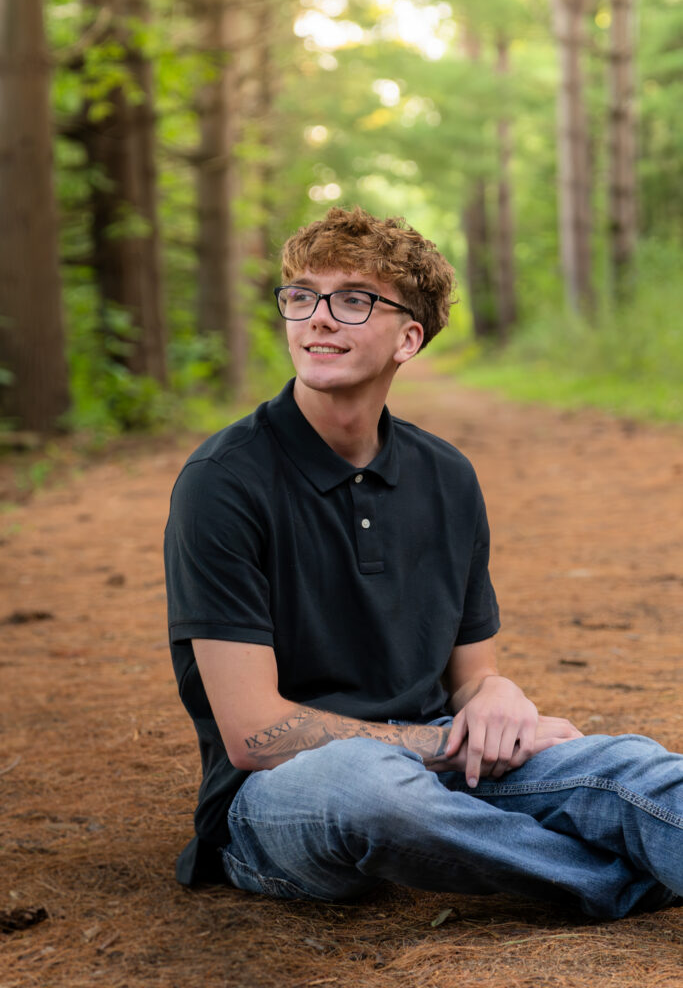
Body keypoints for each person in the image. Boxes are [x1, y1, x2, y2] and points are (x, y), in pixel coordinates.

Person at [164, 206, 682, 918]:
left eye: (352, 300)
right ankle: (621, 881)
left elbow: (472, 677)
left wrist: (497, 698)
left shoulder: (446, 475)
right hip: (283, 799)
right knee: (364, 786)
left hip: (443, 769)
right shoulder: (223, 480)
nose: (316, 318)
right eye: (301, 296)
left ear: (409, 336)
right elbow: (256, 735)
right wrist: (440, 742)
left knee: (638, 771)